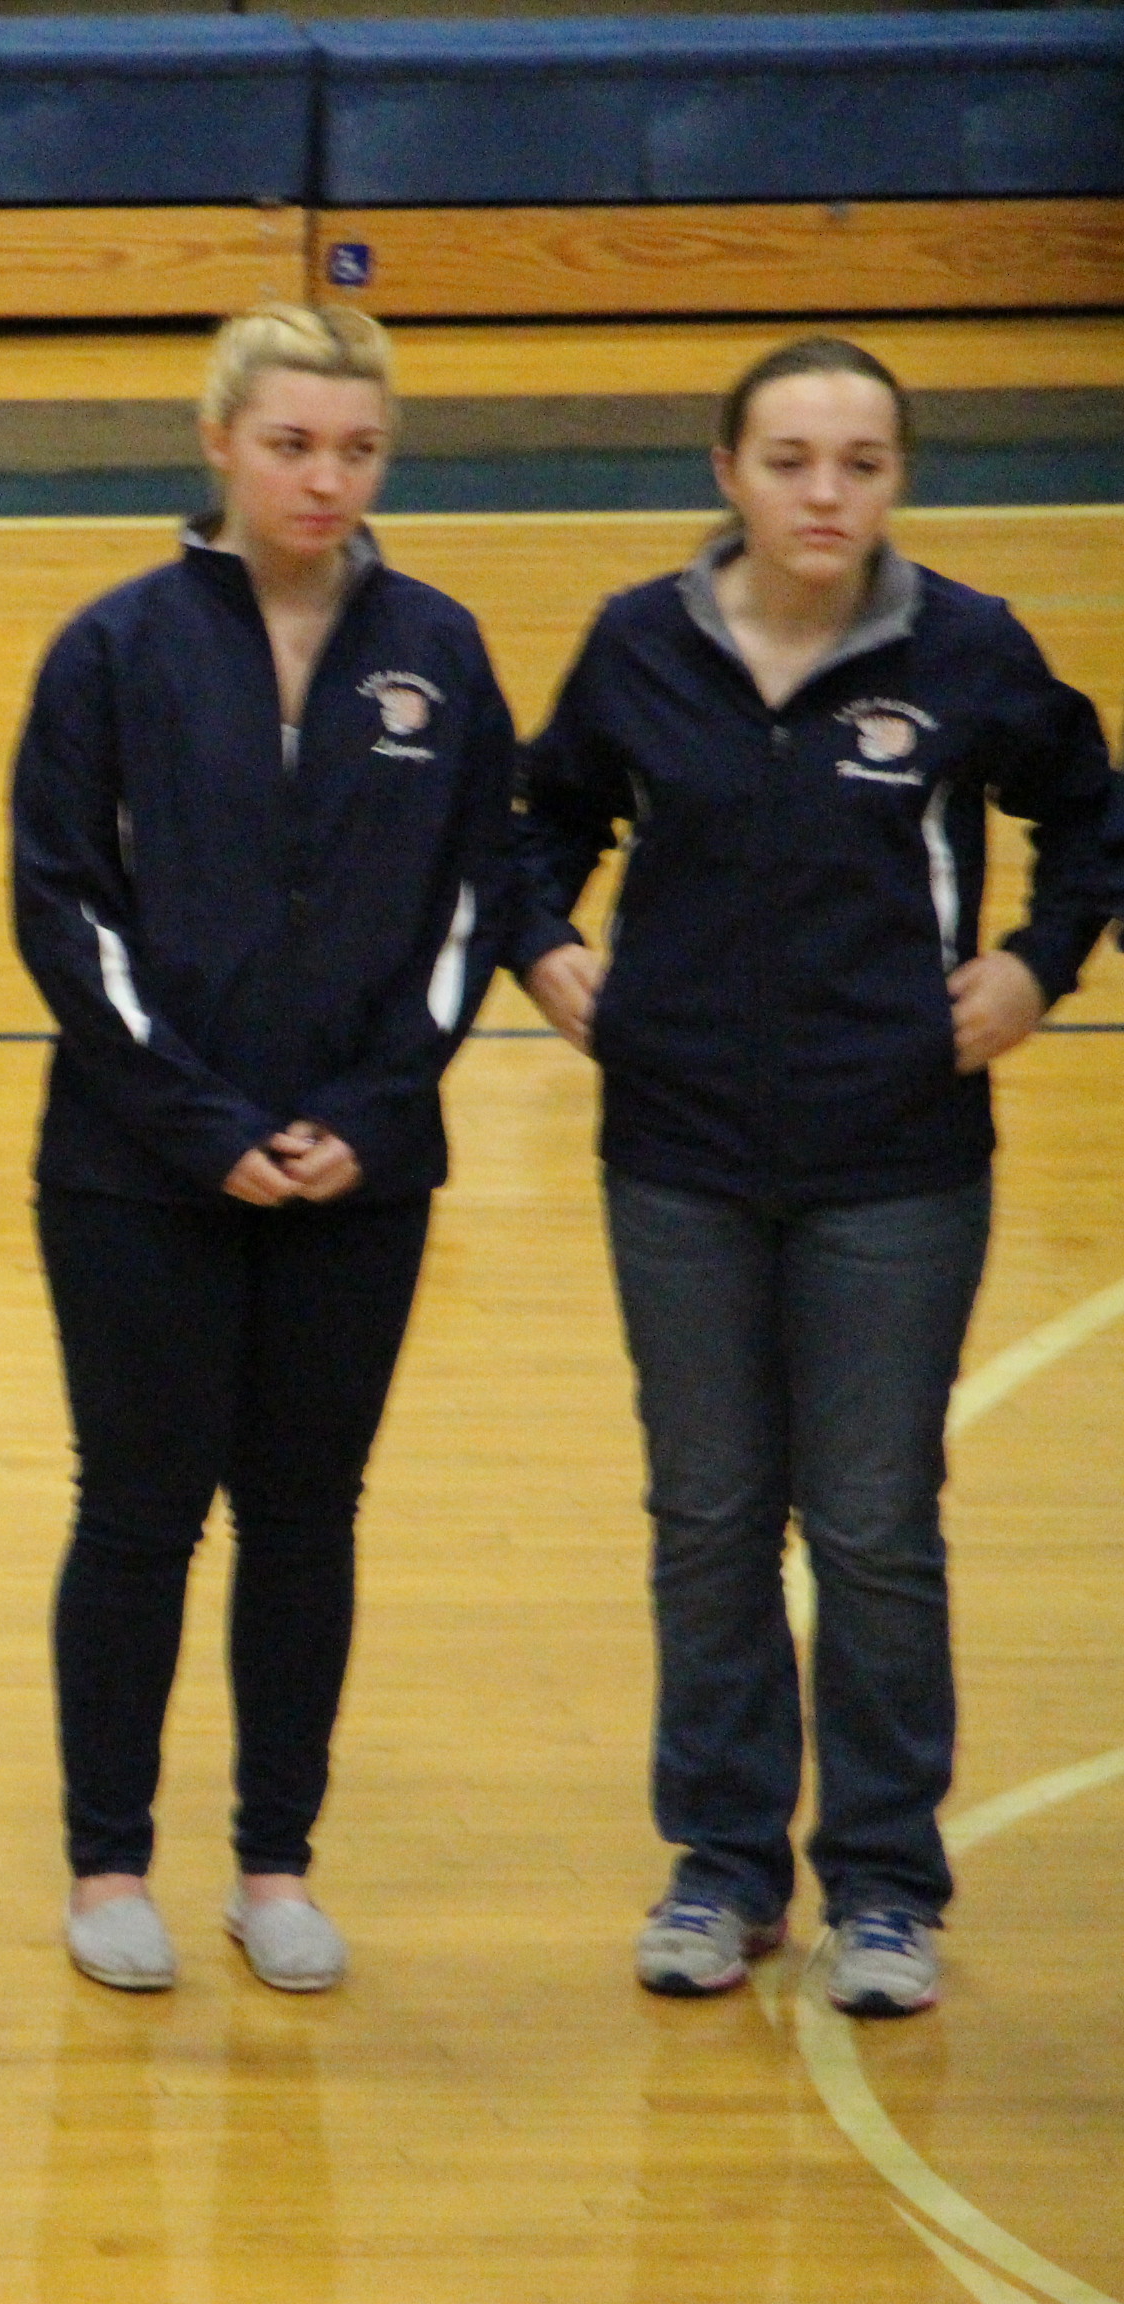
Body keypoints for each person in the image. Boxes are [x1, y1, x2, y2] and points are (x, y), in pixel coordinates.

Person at [508, 337, 1119, 2018]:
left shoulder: (969, 651)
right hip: (679, 1158)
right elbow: (539, 821)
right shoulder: (641, 645)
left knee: (870, 1527)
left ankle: (887, 1883)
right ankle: (720, 1865)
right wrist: (545, 949)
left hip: (896, 1165)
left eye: (861, 463)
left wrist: (1037, 965)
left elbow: (1093, 816)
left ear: (899, 479)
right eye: (790, 461)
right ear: (729, 473)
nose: (826, 494)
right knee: (707, 1522)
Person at [10, 304, 516, 1996]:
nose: (325, 479)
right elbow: (62, 909)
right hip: (135, 1170)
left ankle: (275, 1864)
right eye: (293, 444)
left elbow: (476, 902)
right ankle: (108, 1866)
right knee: (138, 1509)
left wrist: (370, 1117)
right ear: (220, 441)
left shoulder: (437, 651)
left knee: (306, 1515)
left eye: (358, 450)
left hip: (359, 1178)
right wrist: (201, 1125)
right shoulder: (112, 651)